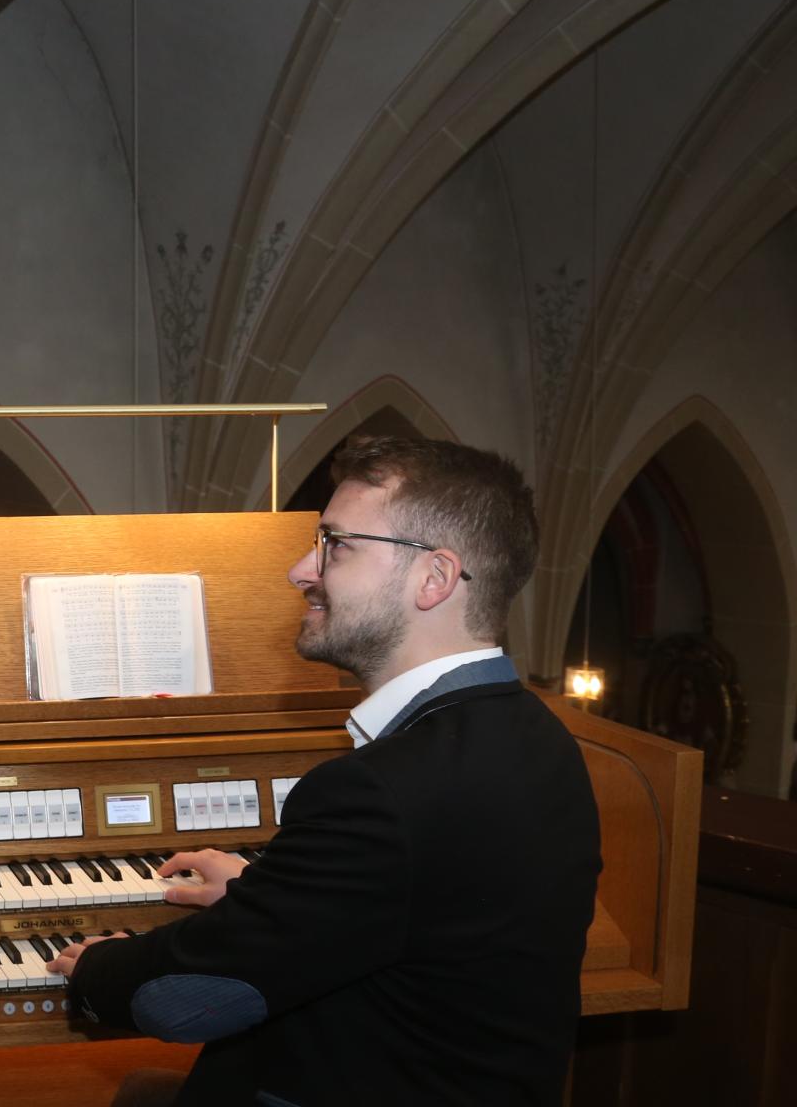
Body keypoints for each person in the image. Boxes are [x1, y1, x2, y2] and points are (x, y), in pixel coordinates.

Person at [50, 436, 601, 1106]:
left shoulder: (380, 790)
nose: (299, 570)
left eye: (335, 545)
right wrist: (269, 895)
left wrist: (99, 969)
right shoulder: (541, 738)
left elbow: (183, 999)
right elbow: (421, 902)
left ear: (435, 578)